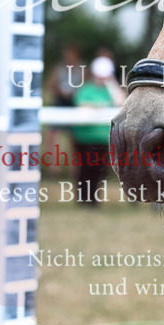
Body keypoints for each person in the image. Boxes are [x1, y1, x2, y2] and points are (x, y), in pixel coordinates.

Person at [72, 56, 117, 207]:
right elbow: (81, 105)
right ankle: (84, 199)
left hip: (103, 138)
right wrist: (99, 106)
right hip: (85, 138)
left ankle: (93, 199)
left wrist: (111, 84)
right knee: (86, 169)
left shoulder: (109, 91)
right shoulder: (86, 89)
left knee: (100, 171)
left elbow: (121, 102)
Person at [44, 44, 83, 178]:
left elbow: (85, 85)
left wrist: (76, 93)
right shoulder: (59, 68)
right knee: (52, 135)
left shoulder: (81, 69)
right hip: (60, 102)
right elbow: (52, 83)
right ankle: (54, 169)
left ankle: (75, 170)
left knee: (75, 138)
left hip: (74, 102)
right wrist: (60, 91)